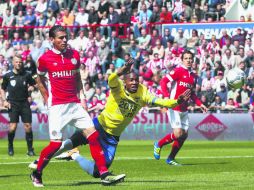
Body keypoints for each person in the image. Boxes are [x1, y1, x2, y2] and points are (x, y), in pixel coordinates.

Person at [29, 56, 191, 180]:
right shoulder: (118, 88)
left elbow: (161, 101)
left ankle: (74, 155)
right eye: (131, 80)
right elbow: (111, 79)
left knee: (97, 172)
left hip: (113, 137)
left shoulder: (143, 93)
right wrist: (120, 71)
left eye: (136, 80)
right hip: (99, 125)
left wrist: (177, 101)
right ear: (125, 83)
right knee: (72, 140)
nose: (134, 83)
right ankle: (40, 161)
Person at [30, 25, 125, 187]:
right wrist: (46, 96)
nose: (64, 40)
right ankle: (37, 173)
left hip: (74, 104)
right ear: (52, 40)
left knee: (93, 136)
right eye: (60, 37)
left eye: (65, 37)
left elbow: (77, 78)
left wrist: (82, 98)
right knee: (55, 144)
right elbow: (38, 77)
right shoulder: (45, 59)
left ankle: (104, 173)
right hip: (58, 107)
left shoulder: (74, 55)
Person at [154, 50, 208, 165]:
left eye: (190, 58)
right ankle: (159, 144)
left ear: (193, 60)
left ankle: (170, 158)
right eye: (186, 58)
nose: (188, 60)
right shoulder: (178, 71)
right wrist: (167, 97)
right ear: (182, 60)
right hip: (174, 107)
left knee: (184, 135)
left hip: (184, 109)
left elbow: (191, 93)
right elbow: (163, 81)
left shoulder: (193, 76)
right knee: (178, 133)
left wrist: (200, 104)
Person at [1, 54, 36, 157]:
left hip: (24, 103)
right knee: (12, 127)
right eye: (17, 62)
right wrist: (4, 101)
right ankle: (10, 146)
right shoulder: (8, 76)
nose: (19, 64)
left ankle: (30, 149)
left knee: (28, 127)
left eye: (20, 62)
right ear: (13, 63)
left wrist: (32, 88)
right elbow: (2, 89)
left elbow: (33, 85)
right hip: (13, 104)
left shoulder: (27, 74)